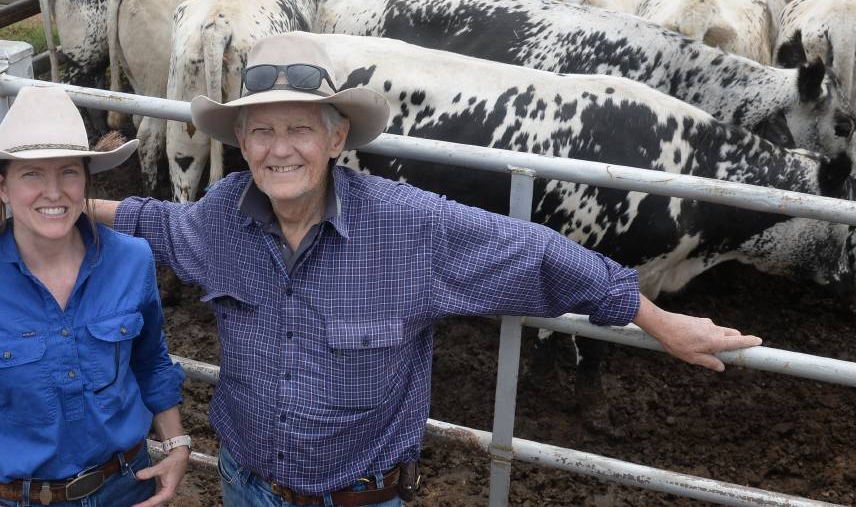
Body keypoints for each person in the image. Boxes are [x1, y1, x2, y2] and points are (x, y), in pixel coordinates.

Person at [89, 32, 763, 506]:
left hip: (362, 499)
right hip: (247, 485)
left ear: (336, 137)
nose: (279, 149)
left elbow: (538, 252)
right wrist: (67, 205)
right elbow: (153, 222)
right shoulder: (217, 218)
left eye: (300, 129)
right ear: (240, 141)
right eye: (261, 131)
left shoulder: (411, 226)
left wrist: (656, 318)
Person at [0, 86, 190, 507]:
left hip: (127, 485)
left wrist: (177, 444)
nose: (54, 192)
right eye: (32, 173)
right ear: (3, 186)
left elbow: (150, 362)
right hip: (19, 498)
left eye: (69, 171)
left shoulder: (131, 260)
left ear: (85, 179)